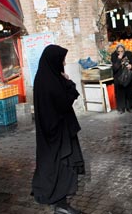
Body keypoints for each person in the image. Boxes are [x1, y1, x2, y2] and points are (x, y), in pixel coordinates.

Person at [31, 44, 85, 214]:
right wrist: (69, 83)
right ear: (53, 60)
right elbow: (63, 103)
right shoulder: (51, 81)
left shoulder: (44, 77)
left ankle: (61, 202)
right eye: (61, 59)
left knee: (56, 166)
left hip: (52, 132)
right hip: (57, 133)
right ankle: (61, 205)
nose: (63, 62)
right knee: (62, 165)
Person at [111, 44, 132, 114]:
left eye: (122, 51)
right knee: (120, 94)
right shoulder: (114, 55)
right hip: (119, 78)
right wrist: (119, 59)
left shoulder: (128, 54)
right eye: (119, 51)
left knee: (129, 91)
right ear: (116, 51)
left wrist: (131, 65)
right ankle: (121, 108)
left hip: (128, 76)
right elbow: (114, 68)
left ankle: (130, 106)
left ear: (124, 50)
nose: (120, 52)